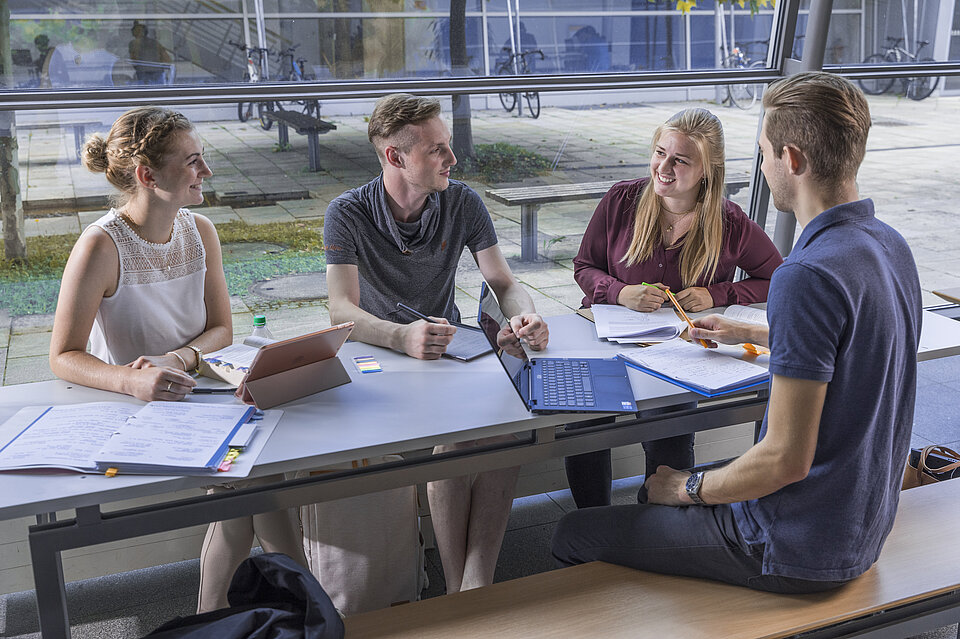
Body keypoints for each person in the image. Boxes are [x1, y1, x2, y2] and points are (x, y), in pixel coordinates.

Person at [553, 72, 922, 594]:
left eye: (764, 153)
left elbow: (784, 459)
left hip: (789, 542)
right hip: (860, 523)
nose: (764, 166)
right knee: (665, 488)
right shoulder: (890, 245)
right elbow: (852, 346)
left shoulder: (805, 274)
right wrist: (754, 333)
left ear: (791, 159)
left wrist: (688, 488)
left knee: (573, 532)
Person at [48, 107, 307, 613]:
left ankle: (220, 615)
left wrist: (178, 358)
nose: (205, 171)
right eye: (192, 161)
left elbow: (222, 330)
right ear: (148, 176)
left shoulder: (200, 231)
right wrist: (133, 381)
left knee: (252, 488)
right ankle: (310, 603)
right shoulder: (101, 245)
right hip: (134, 413)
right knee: (259, 485)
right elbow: (63, 356)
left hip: (199, 397)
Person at [324, 93, 549, 593]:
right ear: (395, 157)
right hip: (379, 356)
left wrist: (524, 315)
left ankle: (475, 583)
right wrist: (401, 336)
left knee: (505, 429)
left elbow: (503, 282)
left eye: (447, 145)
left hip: (448, 352)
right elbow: (340, 309)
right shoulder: (347, 213)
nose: (453, 158)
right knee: (455, 441)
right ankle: (455, 586)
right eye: (437, 150)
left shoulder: (462, 201)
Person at [566, 107, 782, 509]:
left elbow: (777, 277)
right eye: (659, 153)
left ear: (707, 170)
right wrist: (619, 292)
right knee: (585, 430)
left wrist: (718, 293)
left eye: (680, 160)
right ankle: (592, 522)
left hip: (679, 353)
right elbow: (584, 266)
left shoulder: (729, 222)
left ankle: (660, 520)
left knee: (672, 436)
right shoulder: (621, 200)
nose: (663, 168)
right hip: (605, 342)